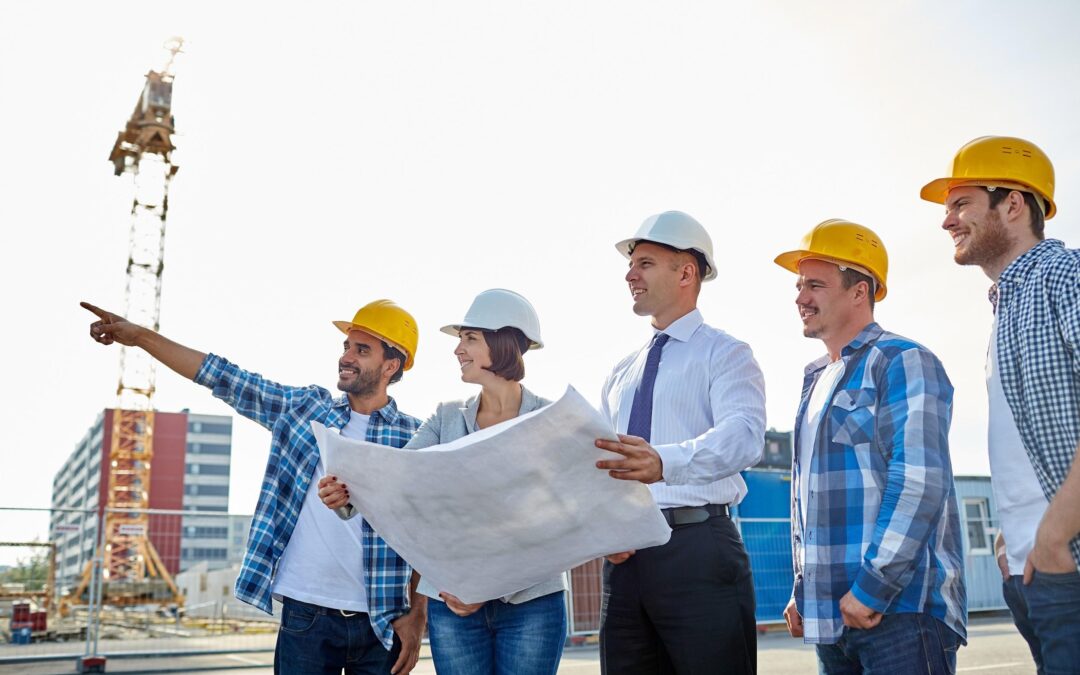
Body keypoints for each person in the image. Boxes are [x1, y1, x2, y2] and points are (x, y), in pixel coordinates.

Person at [81, 299, 427, 675]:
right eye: (346, 346)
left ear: (391, 365)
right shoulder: (305, 409)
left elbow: (427, 536)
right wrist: (140, 337)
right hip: (306, 614)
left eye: (362, 350)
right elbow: (223, 376)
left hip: (382, 621)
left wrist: (418, 615)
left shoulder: (416, 437)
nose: (346, 357)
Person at [319, 289, 567, 675]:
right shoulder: (445, 418)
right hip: (453, 601)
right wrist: (347, 496)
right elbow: (397, 477)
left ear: (503, 342)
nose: (457, 349)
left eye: (470, 338)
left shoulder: (552, 420)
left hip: (532, 603)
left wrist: (488, 585)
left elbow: (564, 519)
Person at [773, 220, 967, 673]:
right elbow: (809, 498)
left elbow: (919, 481)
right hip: (834, 615)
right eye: (799, 286)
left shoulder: (902, 360)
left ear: (860, 291)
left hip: (899, 613)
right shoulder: (815, 379)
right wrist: (804, 590)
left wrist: (873, 588)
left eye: (815, 285)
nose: (801, 297)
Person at [922, 135, 1080, 674]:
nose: (947, 221)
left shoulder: (1066, 275)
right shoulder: (1007, 307)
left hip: (1067, 562)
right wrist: (1012, 535)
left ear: (1012, 204)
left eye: (961, 204)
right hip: (1032, 567)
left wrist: (1055, 535)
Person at [591, 210, 766, 674]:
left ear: (686, 273)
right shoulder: (620, 372)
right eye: (631, 265)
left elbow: (744, 436)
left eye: (644, 263)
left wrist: (664, 462)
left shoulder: (726, 353)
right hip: (625, 560)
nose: (630, 275)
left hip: (698, 551)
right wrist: (603, 527)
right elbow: (600, 463)